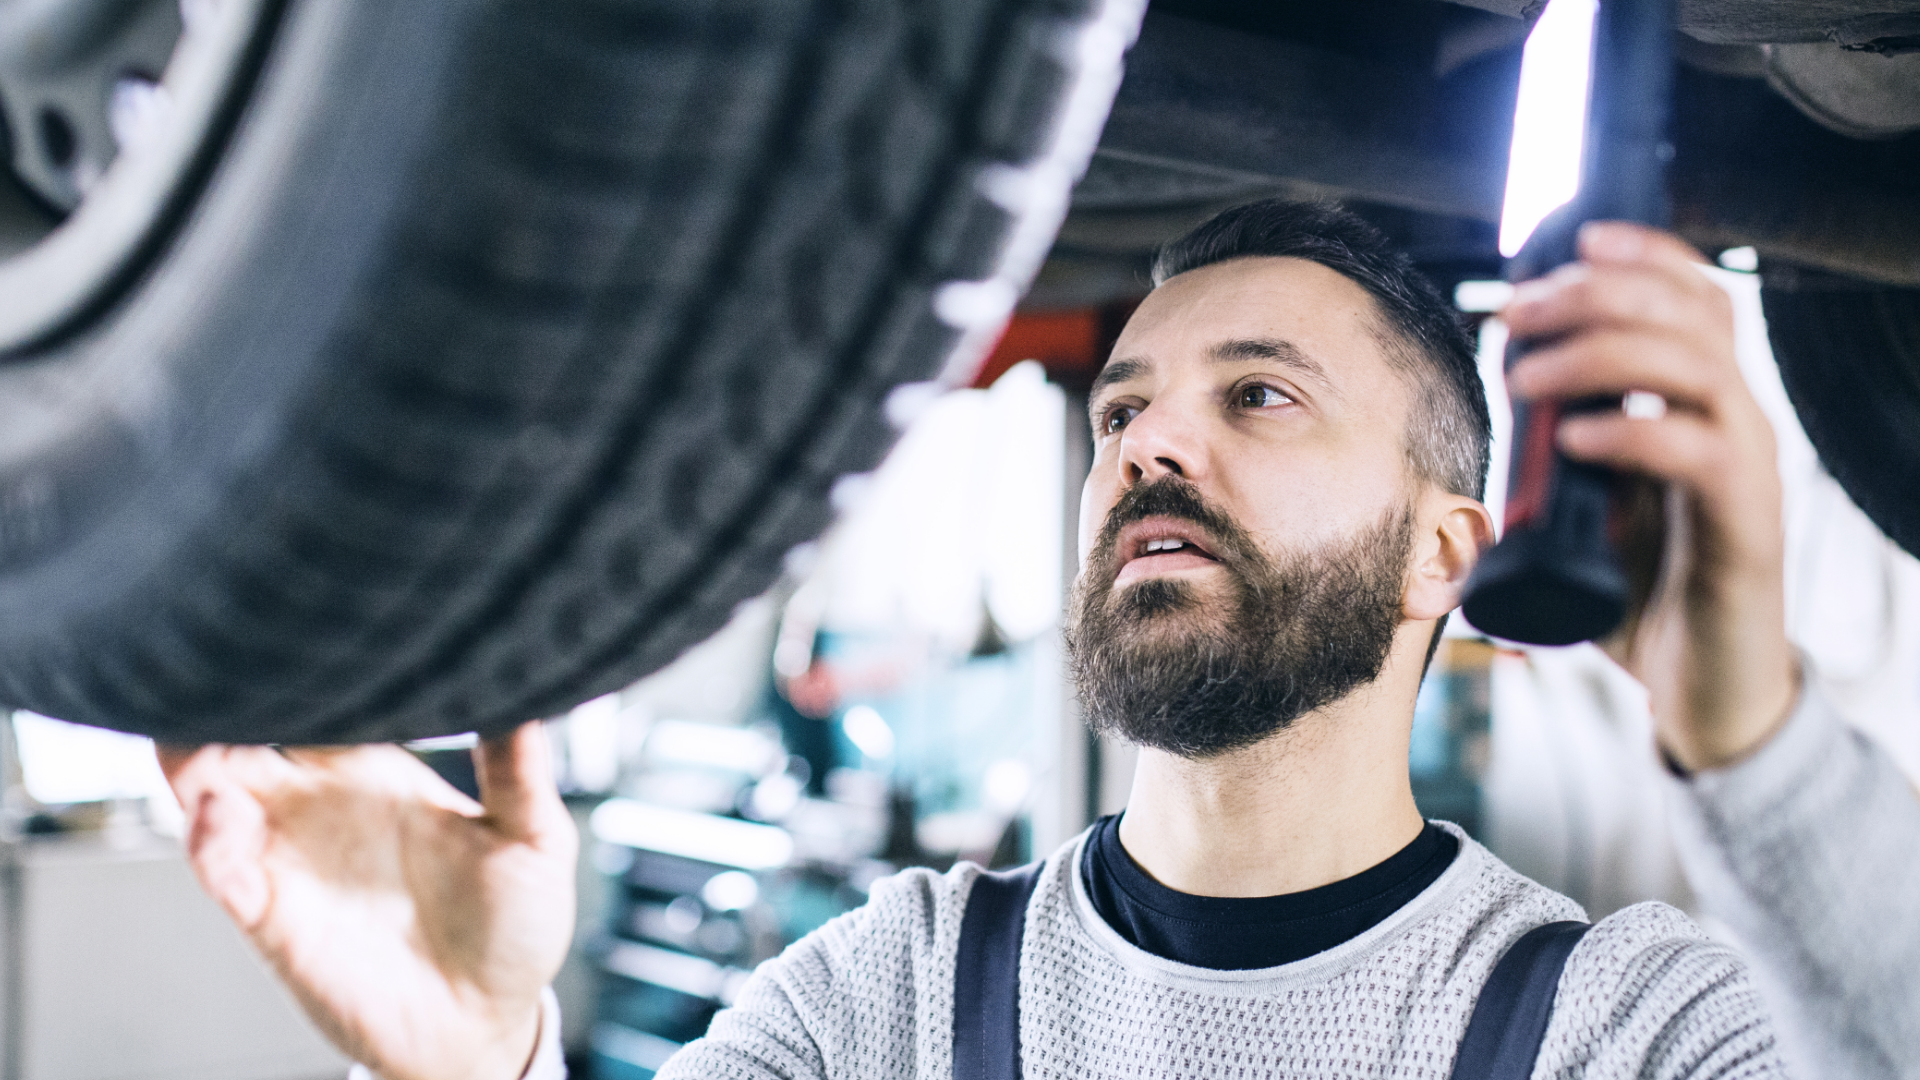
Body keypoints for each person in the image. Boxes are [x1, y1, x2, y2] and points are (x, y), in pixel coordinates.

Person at [156, 199, 1910, 1080]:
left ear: (1441, 554)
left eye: (1260, 396)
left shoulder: (1608, 1026)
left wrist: (1756, 738)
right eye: (1127, 405)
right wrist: (499, 1057)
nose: (1151, 441)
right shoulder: (895, 994)